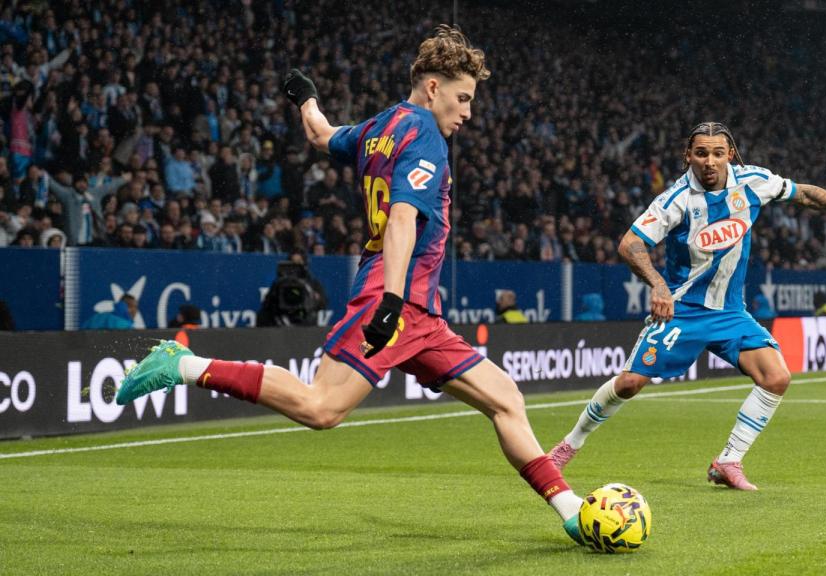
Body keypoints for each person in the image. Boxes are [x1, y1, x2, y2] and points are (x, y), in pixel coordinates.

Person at [115, 26, 585, 544]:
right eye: (463, 97)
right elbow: (404, 218)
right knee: (321, 408)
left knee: (505, 398)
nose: (469, 112)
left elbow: (320, 135)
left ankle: (573, 512)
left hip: (420, 314)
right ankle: (182, 364)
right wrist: (391, 299)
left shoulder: (379, 127)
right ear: (433, 88)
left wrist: (307, 96)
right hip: (396, 295)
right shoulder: (425, 133)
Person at [548, 121, 826, 490]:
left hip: (731, 312)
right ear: (688, 156)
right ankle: (567, 447)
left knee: (776, 376)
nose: (709, 162)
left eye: (718, 153)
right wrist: (658, 286)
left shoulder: (752, 181)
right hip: (683, 309)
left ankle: (728, 461)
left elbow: (805, 194)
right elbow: (630, 245)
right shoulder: (676, 200)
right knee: (629, 383)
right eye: (701, 153)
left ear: (730, 155)